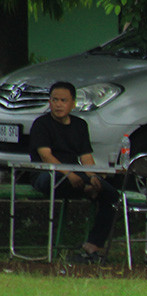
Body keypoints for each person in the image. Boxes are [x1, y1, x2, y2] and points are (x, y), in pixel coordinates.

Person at [28, 82, 119, 263]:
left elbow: (86, 157)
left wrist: (93, 176)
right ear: (49, 102)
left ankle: (94, 245)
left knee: (111, 194)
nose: (58, 104)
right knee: (55, 180)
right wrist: (69, 174)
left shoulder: (80, 125)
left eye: (63, 100)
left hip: (77, 173)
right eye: (55, 100)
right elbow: (46, 156)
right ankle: (85, 189)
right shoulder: (41, 124)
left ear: (73, 104)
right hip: (48, 173)